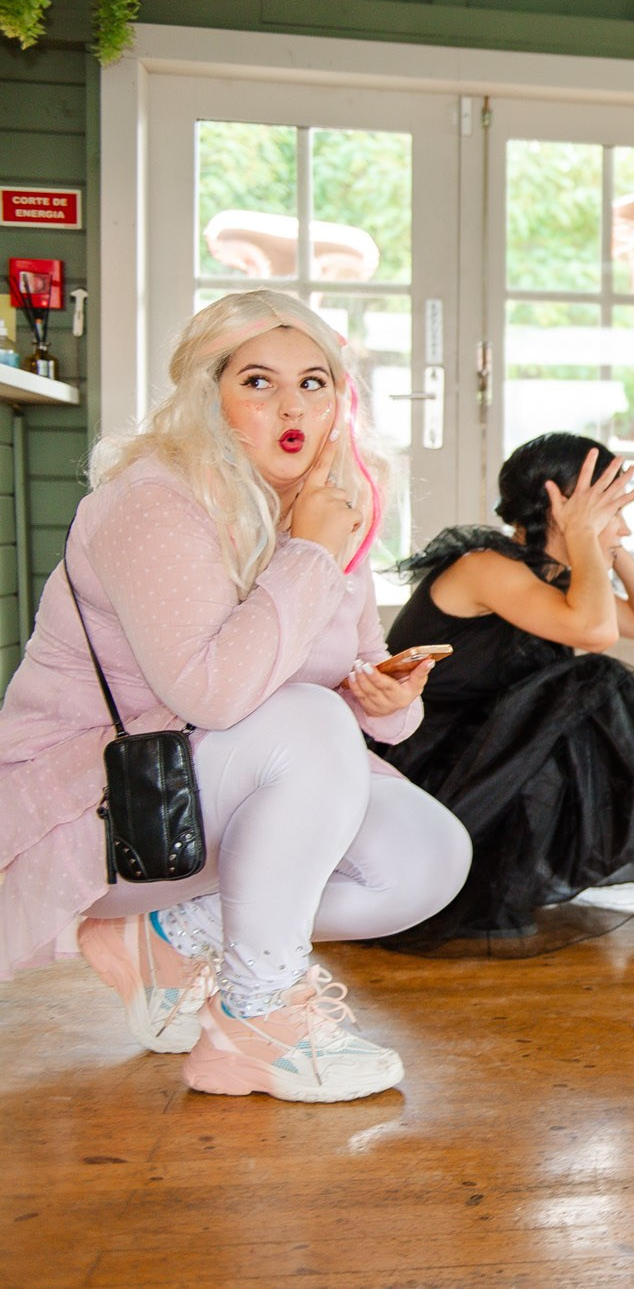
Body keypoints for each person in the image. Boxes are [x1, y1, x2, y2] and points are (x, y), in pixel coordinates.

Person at [0, 290, 471, 1103]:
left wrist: (387, 695)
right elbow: (215, 695)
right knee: (308, 718)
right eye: (258, 381)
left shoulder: (327, 513)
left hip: (216, 798)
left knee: (428, 860)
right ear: (208, 399)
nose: (292, 404)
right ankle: (255, 1017)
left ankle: (167, 940)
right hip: (102, 808)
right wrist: (313, 554)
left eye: (314, 382)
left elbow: (359, 688)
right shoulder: (152, 503)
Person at [375, 432, 634, 951]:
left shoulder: (560, 579)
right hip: (422, 777)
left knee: (580, 690)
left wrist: (611, 542)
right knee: (595, 680)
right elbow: (597, 634)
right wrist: (588, 536)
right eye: (613, 510)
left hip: (482, 765)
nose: (625, 525)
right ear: (561, 508)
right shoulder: (485, 567)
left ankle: (518, 870)